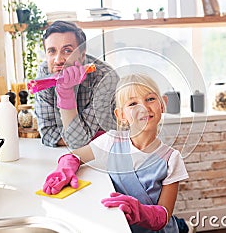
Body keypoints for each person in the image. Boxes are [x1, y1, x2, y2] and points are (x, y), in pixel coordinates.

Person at [43, 74, 189, 232]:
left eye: (150, 99)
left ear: (163, 104)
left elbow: (163, 216)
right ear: (121, 115)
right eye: (133, 103)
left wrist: (139, 211)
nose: (143, 108)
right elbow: (73, 156)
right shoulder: (111, 141)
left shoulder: (171, 159)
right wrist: (65, 168)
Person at [34, 21, 119, 148]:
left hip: (107, 155)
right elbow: (48, 134)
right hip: (60, 154)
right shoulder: (45, 74)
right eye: (51, 51)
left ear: (82, 55)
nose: (58, 60)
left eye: (67, 51)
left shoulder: (105, 78)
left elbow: (79, 142)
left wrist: (66, 94)